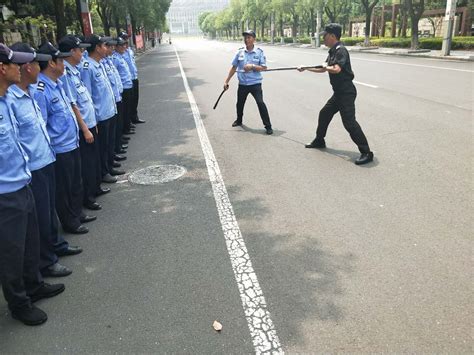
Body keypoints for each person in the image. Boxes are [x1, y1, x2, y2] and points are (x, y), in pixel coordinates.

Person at [0, 43, 65, 326]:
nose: (22, 68)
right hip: (4, 194)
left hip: (22, 181)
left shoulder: (5, 101)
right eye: (16, 64)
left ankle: (34, 284)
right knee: (11, 252)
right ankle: (19, 303)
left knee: (29, 243)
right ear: (3, 68)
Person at [8, 42, 82, 278]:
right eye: (32, 63)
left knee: (48, 211)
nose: (37, 66)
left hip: (47, 158)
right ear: (25, 67)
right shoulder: (12, 99)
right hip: (32, 168)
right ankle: (46, 261)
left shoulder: (29, 93)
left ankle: (56, 247)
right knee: (40, 216)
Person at [35, 42, 95, 234]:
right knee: (65, 188)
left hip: (72, 141)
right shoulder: (41, 91)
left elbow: (71, 106)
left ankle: (77, 213)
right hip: (59, 148)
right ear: (51, 63)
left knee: (76, 182)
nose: (63, 63)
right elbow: (41, 125)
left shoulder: (58, 83)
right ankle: (70, 222)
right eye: (60, 60)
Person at [298, 23, 374, 165]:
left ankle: (366, 152)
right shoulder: (332, 51)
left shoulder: (341, 50)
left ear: (332, 36)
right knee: (324, 113)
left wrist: (326, 67)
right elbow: (323, 68)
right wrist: (306, 68)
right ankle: (319, 140)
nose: (323, 39)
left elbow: (336, 69)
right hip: (338, 93)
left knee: (349, 123)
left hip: (346, 93)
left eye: (325, 36)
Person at [58, 35, 109, 211]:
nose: (82, 53)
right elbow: (73, 105)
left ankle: (94, 189)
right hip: (81, 127)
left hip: (89, 122)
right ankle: (88, 197)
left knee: (92, 160)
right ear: (72, 52)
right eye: (80, 50)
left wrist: (92, 122)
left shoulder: (75, 69)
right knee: (86, 165)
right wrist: (85, 128)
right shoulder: (64, 73)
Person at [81, 34, 119, 183]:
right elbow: (88, 95)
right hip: (100, 115)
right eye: (104, 46)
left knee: (109, 143)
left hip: (109, 110)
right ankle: (104, 172)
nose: (107, 48)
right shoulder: (87, 67)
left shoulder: (100, 63)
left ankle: (109, 166)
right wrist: (94, 119)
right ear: (97, 48)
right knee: (103, 146)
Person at [223, 30, 273, 135]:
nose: (246, 40)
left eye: (249, 37)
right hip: (243, 84)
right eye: (245, 38)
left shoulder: (259, 52)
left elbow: (264, 68)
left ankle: (268, 126)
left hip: (255, 84)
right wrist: (226, 81)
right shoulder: (239, 52)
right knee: (240, 104)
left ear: (254, 39)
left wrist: (253, 66)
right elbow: (234, 67)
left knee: (260, 103)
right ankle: (239, 120)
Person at [112, 37, 134, 155]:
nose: (124, 46)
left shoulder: (120, 56)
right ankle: (119, 142)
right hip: (120, 92)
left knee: (126, 112)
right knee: (121, 115)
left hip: (125, 87)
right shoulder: (114, 59)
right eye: (121, 45)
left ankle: (121, 137)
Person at [119, 31, 145, 125]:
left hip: (134, 77)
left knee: (135, 99)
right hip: (127, 80)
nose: (126, 40)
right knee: (128, 102)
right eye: (124, 38)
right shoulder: (120, 53)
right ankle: (129, 121)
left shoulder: (129, 50)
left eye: (126, 38)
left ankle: (135, 117)